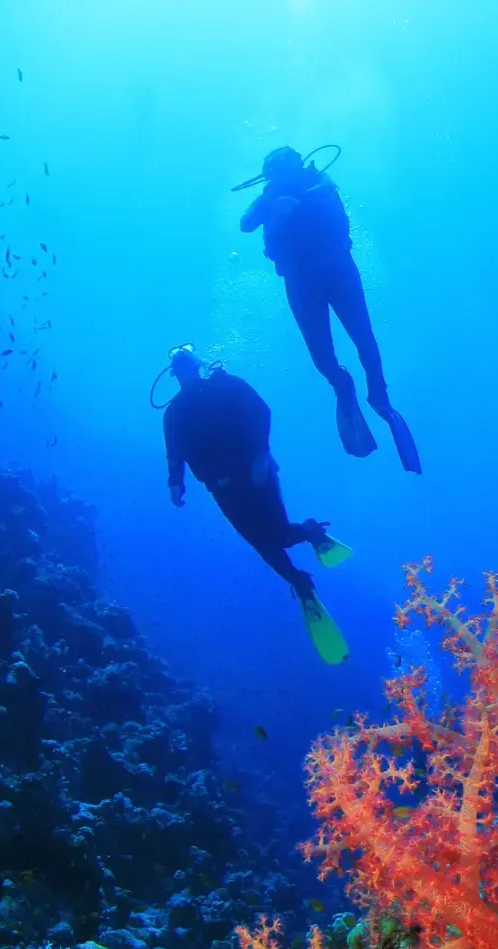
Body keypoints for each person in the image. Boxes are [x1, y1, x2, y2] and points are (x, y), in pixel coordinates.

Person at [160, 345, 353, 663]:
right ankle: (301, 582)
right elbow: (174, 452)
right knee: (261, 542)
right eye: (179, 366)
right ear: (174, 374)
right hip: (222, 487)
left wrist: (262, 454)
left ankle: (308, 533)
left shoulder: (225, 384)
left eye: (187, 364)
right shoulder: (174, 413)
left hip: (256, 472)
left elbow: (262, 411)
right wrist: (175, 483)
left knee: (275, 534)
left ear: (197, 365)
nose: (185, 370)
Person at [238, 146, 421, 472]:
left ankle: (379, 395)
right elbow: (245, 223)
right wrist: (275, 207)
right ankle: (342, 384)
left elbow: (335, 215)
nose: (278, 179)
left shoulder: (320, 183)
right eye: (273, 175)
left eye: (282, 171)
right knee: (321, 355)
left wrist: (299, 204)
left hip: (338, 270)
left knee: (363, 337)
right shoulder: (270, 197)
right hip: (299, 279)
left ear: (297, 166)